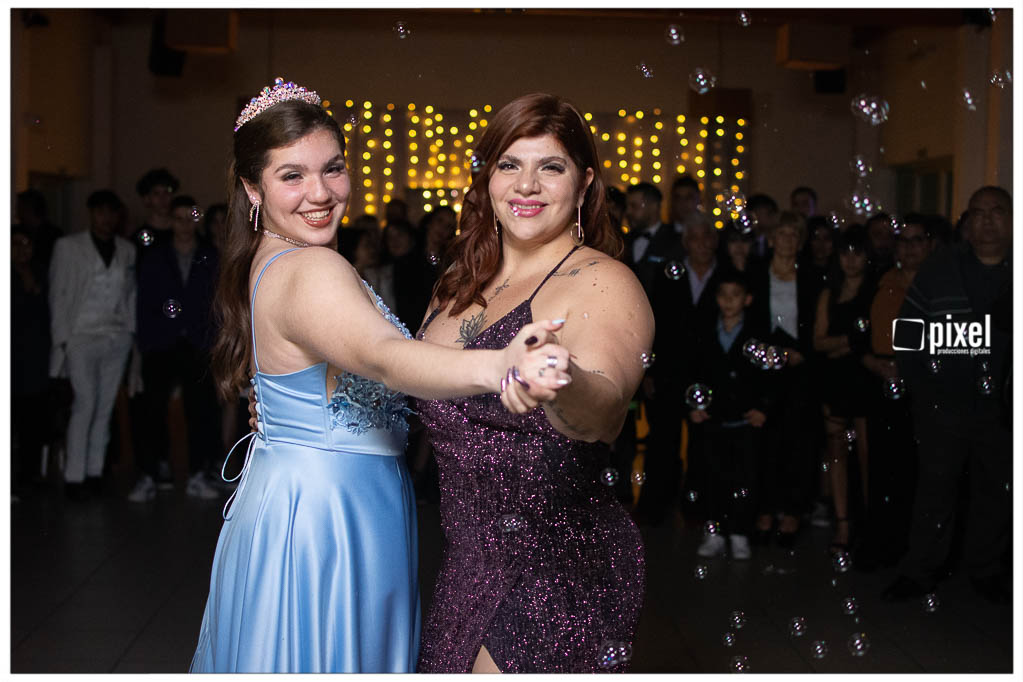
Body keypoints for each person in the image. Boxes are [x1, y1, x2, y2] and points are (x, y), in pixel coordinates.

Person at [190, 78, 571, 674]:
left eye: (332, 169)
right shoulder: (312, 268)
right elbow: (385, 356)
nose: (320, 193)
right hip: (330, 514)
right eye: (292, 176)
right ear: (252, 187)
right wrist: (500, 364)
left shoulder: (268, 256)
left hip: (300, 492)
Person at [414, 92, 653, 673]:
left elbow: (604, 410)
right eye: (509, 165)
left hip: (551, 580)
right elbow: (416, 390)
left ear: (584, 183)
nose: (526, 185)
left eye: (550, 167)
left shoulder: (602, 282)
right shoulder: (458, 282)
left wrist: (561, 380)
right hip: (463, 571)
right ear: (487, 178)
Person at [882, 186, 1012, 605]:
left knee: (995, 491)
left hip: (1002, 409)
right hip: (943, 405)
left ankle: (986, 569)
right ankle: (919, 571)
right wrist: (919, 387)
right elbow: (908, 327)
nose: (987, 220)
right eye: (978, 212)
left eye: (997, 211)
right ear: (967, 222)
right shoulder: (941, 268)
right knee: (934, 492)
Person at [129, 195, 221, 502]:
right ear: (171, 221)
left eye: (189, 218)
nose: (184, 225)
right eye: (178, 218)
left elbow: (217, 302)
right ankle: (150, 474)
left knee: (201, 411)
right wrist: (145, 342)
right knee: (152, 412)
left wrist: (213, 340)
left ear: (196, 220)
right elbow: (143, 301)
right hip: (161, 343)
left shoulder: (208, 255)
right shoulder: (155, 255)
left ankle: (197, 474)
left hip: (197, 343)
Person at [856, 215, 934, 570]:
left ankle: (915, 548)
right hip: (881, 379)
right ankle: (881, 542)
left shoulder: (939, 286)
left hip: (924, 385)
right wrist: (871, 362)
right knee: (883, 465)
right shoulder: (879, 281)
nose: (910, 247)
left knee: (917, 468)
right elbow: (858, 331)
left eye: (918, 240)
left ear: (929, 245)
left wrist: (911, 366)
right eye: (904, 240)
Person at [48, 190, 136, 501]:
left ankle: (95, 471)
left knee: (104, 406)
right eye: (101, 212)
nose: (106, 219)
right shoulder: (68, 247)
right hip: (81, 336)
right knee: (85, 403)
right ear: (91, 213)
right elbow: (58, 293)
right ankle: (74, 475)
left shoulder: (126, 250)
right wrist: (62, 340)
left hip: (116, 336)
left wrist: (130, 333)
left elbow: (129, 295)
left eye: (112, 213)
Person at [642, 212, 721, 526]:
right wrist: (649, 370)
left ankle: (698, 507)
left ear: (715, 241)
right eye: (695, 237)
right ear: (685, 242)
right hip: (670, 371)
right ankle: (656, 505)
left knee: (705, 444)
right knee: (663, 440)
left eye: (707, 236)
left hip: (710, 372)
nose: (702, 243)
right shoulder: (668, 274)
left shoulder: (725, 275)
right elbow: (654, 323)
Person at [747, 211, 820, 547]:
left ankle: (793, 511)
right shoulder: (756, 273)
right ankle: (766, 509)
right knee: (767, 442)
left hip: (801, 368)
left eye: (794, 234)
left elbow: (816, 323)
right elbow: (750, 320)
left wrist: (798, 353)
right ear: (772, 239)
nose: (788, 240)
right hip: (764, 367)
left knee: (799, 442)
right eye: (783, 234)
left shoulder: (811, 276)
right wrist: (768, 351)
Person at [686, 269, 769, 561]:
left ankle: (740, 532)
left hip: (746, 421)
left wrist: (763, 408)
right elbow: (694, 371)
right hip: (714, 420)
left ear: (747, 299)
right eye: (723, 295)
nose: (729, 301)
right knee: (712, 477)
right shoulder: (705, 331)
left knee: (745, 480)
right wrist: (694, 406)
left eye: (735, 295)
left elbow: (769, 377)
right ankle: (715, 532)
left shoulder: (758, 333)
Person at [812, 225, 877, 554]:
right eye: (845, 253)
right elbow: (818, 341)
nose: (851, 260)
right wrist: (850, 342)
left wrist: (843, 345)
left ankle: (867, 522)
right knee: (836, 450)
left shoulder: (876, 291)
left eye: (857, 252)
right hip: (836, 380)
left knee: (866, 454)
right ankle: (842, 523)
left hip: (866, 379)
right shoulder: (830, 292)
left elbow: (875, 338)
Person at [623, 181, 680, 296]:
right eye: (627, 206)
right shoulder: (623, 240)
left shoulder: (676, 240)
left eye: (634, 206)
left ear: (654, 207)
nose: (628, 212)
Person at [133, 168, 180, 249]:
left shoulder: (184, 233)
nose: (163, 198)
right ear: (146, 199)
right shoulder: (137, 239)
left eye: (167, 192)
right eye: (156, 193)